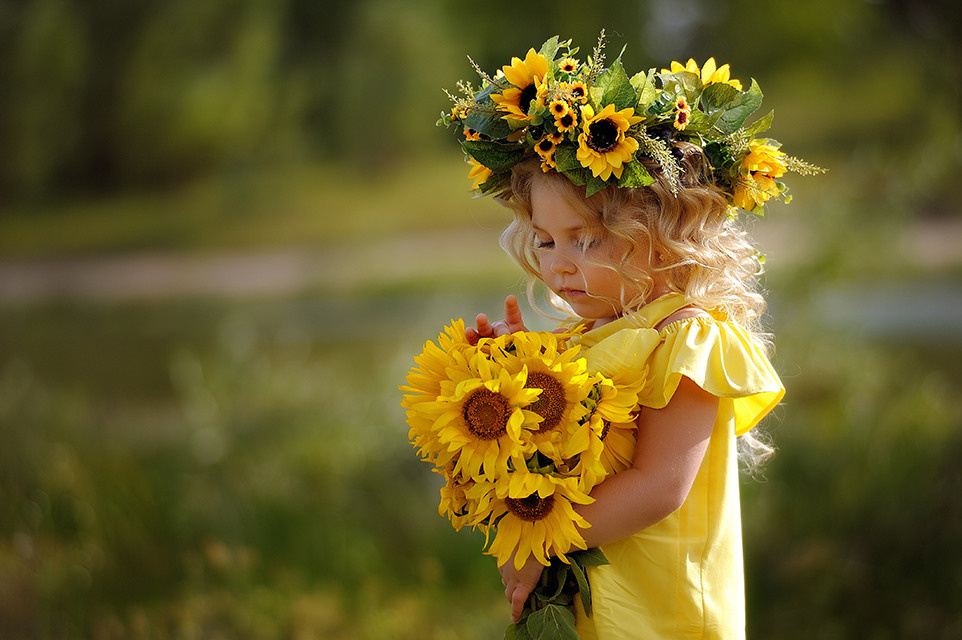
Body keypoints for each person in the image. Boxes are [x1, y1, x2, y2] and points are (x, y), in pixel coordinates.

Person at [442, 35, 819, 639]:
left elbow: (658, 488)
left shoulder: (687, 337)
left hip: (665, 615)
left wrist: (537, 538)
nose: (558, 264)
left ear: (662, 233)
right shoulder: (587, 335)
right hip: (601, 610)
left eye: (586, 239)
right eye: (546, 240)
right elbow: (565, 452)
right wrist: (516, 376)